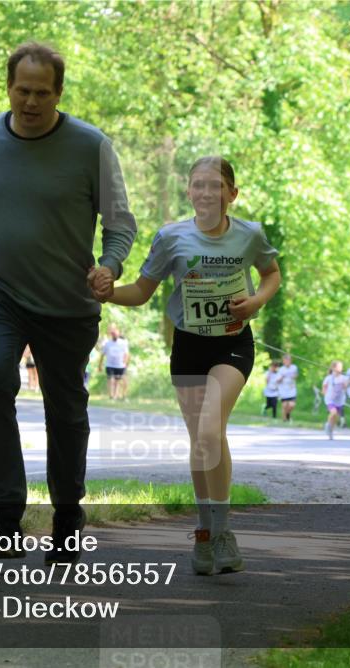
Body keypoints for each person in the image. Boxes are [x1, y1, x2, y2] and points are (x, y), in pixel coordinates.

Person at [0, 42, 136, 564]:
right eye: (21, 91)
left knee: (66, 411)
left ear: (59, 93)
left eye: (42, 93)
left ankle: (67, 514)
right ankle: (6, 519)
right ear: (8, 86)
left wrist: (110, 267)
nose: (30, 102)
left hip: (66, 301)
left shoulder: (90, 146)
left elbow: (120, 225)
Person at [98, 156, 280, 576]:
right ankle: (204, 532)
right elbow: (142, 291)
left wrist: (256, 301)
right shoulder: (171, 237)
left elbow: (271, 274)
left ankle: (222, 533)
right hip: (188, 346)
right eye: (197, 185)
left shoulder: (249, 234)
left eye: (215, 185)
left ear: (231, 194)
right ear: (189, 192)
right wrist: (104, 294)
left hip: (233, 345)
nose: (205, 193)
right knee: (203, 443)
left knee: (211, 430)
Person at [98, 325, 130, 400]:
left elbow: (127, 354)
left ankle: (118, 395)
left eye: (115, 333)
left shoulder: (123, 343)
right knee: (111, 380)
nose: (114, 335)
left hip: (120, 365)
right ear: (111, 335)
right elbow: (102, 355)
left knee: (118, 381)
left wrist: (125, 362)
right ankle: (111, 396)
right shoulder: (107, 343)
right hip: (110, 365)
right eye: (113, 333)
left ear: (118, 333)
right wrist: (100, 365)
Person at [322, 360, 348, 440]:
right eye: (338, 367)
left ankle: (331, 431)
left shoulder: (344, 378)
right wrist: (326, 394)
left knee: (335, 417)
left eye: (341, 367)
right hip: (330, 400)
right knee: (333, 412)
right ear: (333, 368)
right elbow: (324, 389)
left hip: (339, 400)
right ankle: (328, 425)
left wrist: (344, 385)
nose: (340, 369)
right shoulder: (328, 378)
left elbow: (345, 387)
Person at [277, 353, 298, 421]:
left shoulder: (294, 367)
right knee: (284, 405)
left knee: (292, 405)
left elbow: (296, 376)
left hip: (292, 389)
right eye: (286, 360)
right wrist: (282, 377)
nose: (287, 362)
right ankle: (284, 420)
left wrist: (293, 376)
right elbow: (277, 380)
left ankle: (287, 414)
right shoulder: (281, 369)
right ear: (283, 361)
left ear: (291, 361)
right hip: (283, 390)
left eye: (289, 360)